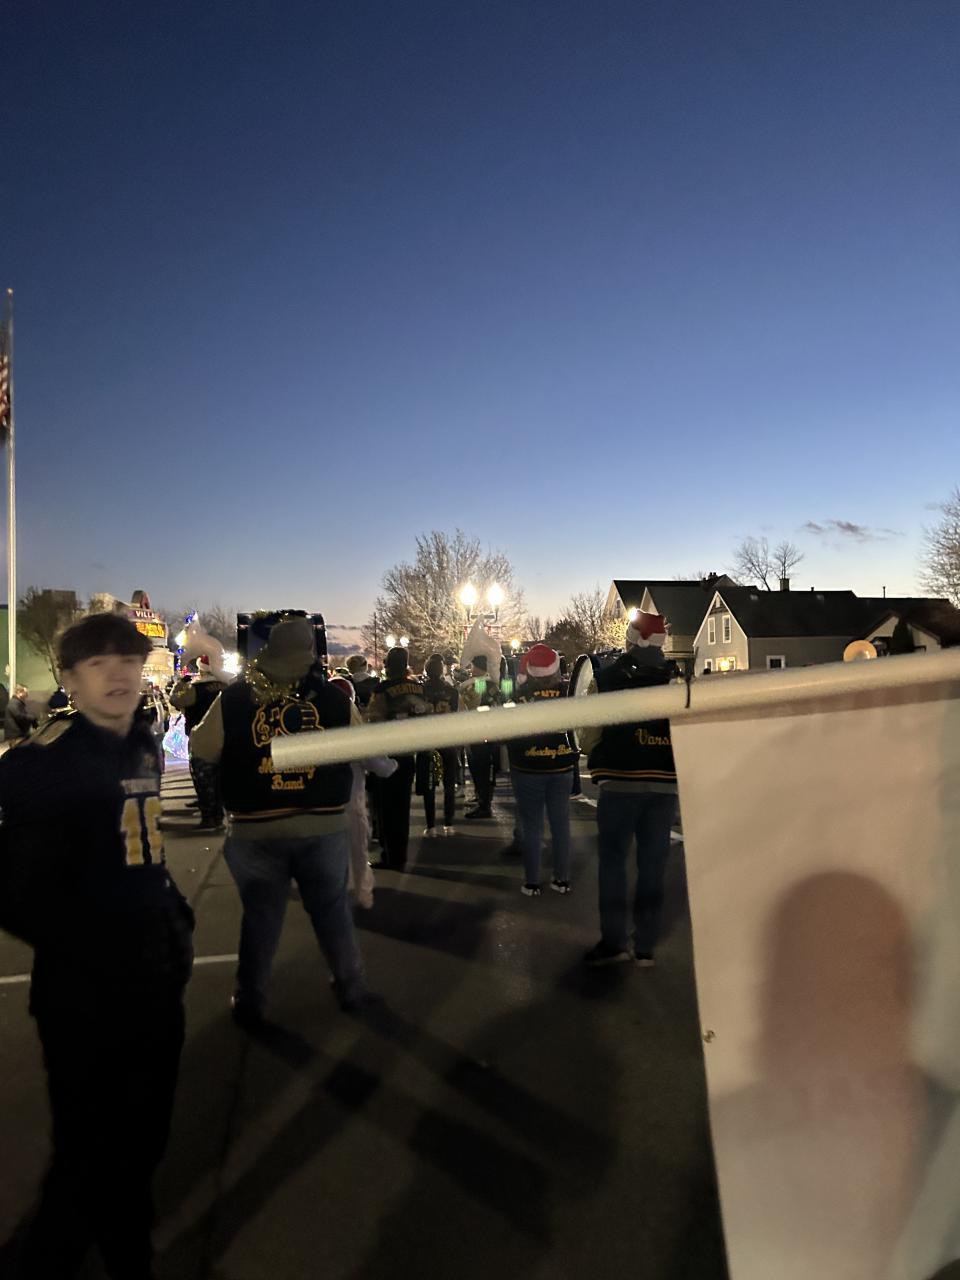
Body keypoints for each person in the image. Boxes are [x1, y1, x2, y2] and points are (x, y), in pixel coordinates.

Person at [0, 613, 194, 1279]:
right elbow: (12, 889)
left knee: (145, 1138)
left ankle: (125, 1254)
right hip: (86, 994)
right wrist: (91, 941)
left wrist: (172, 915)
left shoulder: (141, 741)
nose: (118, 674)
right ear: (70, 680)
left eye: (129, 660)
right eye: (98, 663)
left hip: (156, 978)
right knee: (85, 1153)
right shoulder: (42, 764)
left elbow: (145, 848)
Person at [190, 617, 369, 1022]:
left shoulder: (236, 697)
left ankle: (250, 998)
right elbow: (361, 747)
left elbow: (202, 747)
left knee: (261, 917)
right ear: (310, 651)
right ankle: (351, 987)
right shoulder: (334, 698)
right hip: (322, 823)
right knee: (331, 912)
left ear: (268, 648)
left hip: (255, 825)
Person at [579, 610, 678, 968]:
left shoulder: (607, 678)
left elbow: (588, 735)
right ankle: (645, 946)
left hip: (619, 780)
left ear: (633, 638)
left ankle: (614, 942)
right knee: (653, 866)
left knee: (613, 864)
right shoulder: (676, 680)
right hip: (664, 783)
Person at [507, 644, 577, 896]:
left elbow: (508, 734)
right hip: (562, 765)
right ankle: (562, 879)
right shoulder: (567, 695)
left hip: (527, 768)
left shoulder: (518, 698)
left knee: (532, 826)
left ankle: (532, 882)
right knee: (561, 824)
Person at [327, 675, 397, 908]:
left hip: (319, 805)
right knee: (358, 851)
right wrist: (393, 764)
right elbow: (378, 764)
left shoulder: (314, 727)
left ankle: (333, 895)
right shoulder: (354, 730)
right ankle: (362, 894)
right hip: (350, 802)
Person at [365, 646, 428, 870]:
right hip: (409, 752)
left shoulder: (383, 689)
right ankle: (400, 854)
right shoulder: (419, 688)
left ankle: (390, 855)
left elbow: (374, 720)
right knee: (402, 808)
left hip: (388, 754)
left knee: (387, 809)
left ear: (389, 664)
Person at [171, 652, 231, 830]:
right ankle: (220, 807)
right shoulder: (227, 686)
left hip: (200, 735)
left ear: (201, 669)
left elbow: (176, 700)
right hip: (226, 735)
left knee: (202, 774)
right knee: (222, 774)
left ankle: (210, 814)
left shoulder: (195, 689)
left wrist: (180, 684)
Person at [416, 652, 459, 836]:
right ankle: (449, 824)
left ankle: (431, 826)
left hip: (427, 740)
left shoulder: (419, 691)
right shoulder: (452, 691)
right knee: (449, 784)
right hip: (447, 739)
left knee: (429, 785)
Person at [458, 655, 503, 819]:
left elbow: (464, 708)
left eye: (473, 666)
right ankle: (482, 798)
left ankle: (484, 805)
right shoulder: (494, 684)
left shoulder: (471, 686)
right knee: (486, 769)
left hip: (477, 732)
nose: (471, 669)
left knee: (479, 769)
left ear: (477, 667)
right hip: (492, 732)